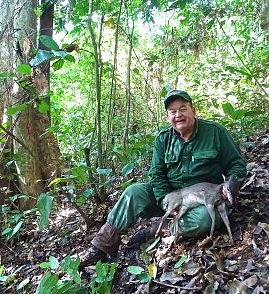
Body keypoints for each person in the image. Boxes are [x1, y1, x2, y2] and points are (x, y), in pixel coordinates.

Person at [79, 89, 247, 268]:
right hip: (172, 196)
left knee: (205, 219)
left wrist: (229, 185)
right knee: (133, 192)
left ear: (193, 110)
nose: (178, 115)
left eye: (183, 109)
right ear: (168, 116)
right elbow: (156, 175)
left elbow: (237, 165)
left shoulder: (215, 133)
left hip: (204, 199)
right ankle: (101, 247)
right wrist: (164, 201)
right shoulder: (163, 139)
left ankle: (158, 228)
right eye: (173, 112)